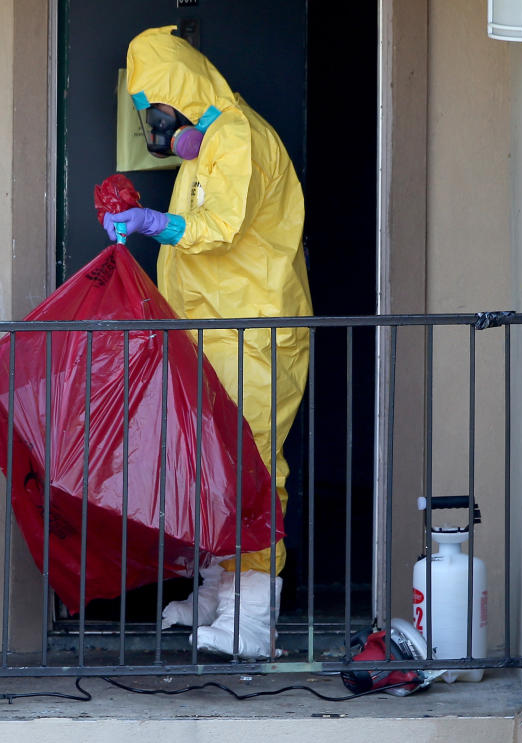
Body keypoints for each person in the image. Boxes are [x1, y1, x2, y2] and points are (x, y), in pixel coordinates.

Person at [102, 26, 312, 658]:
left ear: (185, 91)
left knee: (250, 468)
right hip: (217, 334)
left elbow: (219, 228)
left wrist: (152, 222)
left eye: (159, 110)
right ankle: (220, 590)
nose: (156, 127)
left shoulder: (239, 138)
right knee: (216, 466)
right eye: (147, 115)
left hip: (255, 334)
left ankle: (253, 614)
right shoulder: (206, 148)